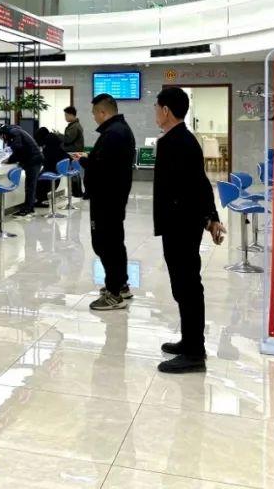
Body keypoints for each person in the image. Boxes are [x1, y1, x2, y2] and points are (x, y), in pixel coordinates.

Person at [152, 86, 226, 374]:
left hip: (181, 225)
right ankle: (189, 340)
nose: (155, 112)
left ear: (166, 110)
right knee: (183, 286)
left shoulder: (178, 142)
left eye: (157, 107)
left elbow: (197, 185)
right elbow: (201, 182)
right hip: (180, 223)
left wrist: (209, 217)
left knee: (188, 287)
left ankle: (195, 353)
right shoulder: (180, 139)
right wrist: (210, 217)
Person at [74, 94, 135, 312]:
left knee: (106, 244)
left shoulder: (113, 134)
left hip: (106, 198)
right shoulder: (120, 130)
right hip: (114, 197)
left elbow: (102, 168)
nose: (94, 117)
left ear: (103, 112)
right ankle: (121, 285)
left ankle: (114, 293)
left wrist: (84, 161)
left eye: (94, 113)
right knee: (115, 242)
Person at [0, 123, 44, 216]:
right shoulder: (14, 131)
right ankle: (29, 207)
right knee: (30, 185)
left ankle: (27, 208)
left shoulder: (13, 133)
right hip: (33, 159)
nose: (1, 139)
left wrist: (9, 160)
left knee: (30, 186)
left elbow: (18, 150)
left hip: (34, 160)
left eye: (0, 137)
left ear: (2, 133)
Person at [34, 126, 68, 206]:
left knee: (35, 179)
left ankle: (42, 201)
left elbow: (47, 159)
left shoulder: (48, 143)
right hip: (57, 173)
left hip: (51, 173)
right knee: (39, 175)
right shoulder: (55, 140)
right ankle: (43, 200)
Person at [61, 106, 86, 197]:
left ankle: (77, 192)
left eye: (66, 115)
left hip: (73, 152)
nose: (65, 117)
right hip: (75, 152)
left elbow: (68, 139)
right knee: (75, 172)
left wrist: (58, 136)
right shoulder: (74, 125)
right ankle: (76, 192)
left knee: (74, 173)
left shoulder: (74, 126)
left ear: (72, 115)